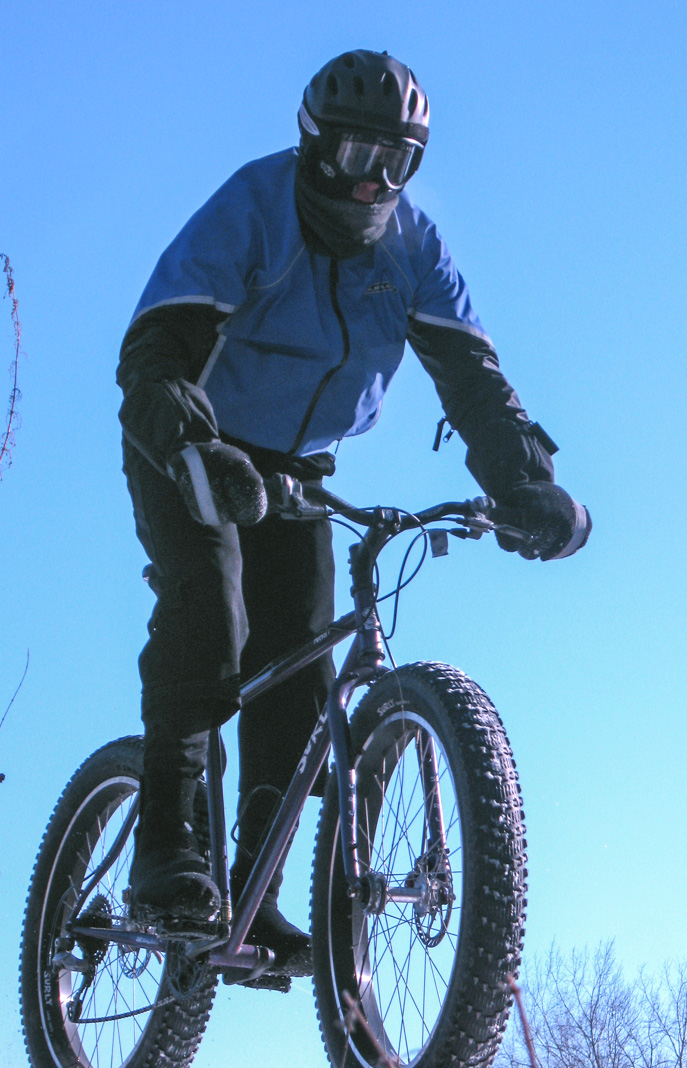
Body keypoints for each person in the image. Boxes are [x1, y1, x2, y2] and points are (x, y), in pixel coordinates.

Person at [117, 49, 590, 978]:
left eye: (395, 161)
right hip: (187, 439)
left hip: (299, 472)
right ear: (310, 146)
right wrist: (185, 433)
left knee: (298, 664)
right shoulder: (254, 209)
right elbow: (159, 344)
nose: (371, 179)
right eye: (351, 155)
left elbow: (474, 382)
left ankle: (248, 894)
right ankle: (167, 853)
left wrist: (524, 479)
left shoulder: (415, 250)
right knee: (210, 612)